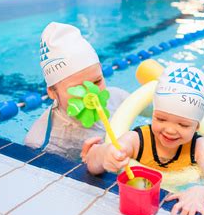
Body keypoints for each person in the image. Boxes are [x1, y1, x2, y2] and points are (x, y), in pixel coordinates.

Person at [84, 64, 204, 215]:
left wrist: (200, 192)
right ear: (152, 115)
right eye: (161, 119)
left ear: (196, 127)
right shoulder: (137, 140)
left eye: (183, 125)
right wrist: (104, 155)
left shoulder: (200, 147)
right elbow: (93, 165)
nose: (170, 130)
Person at [24, 22, 129, 160]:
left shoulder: (117, 98)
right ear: (52, 92)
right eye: (78, 89)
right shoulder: (41, 142)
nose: (92, 94)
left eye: (97, 81)